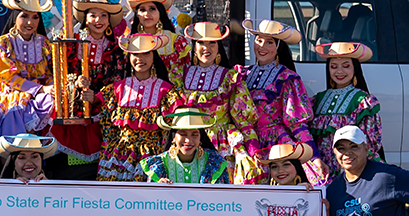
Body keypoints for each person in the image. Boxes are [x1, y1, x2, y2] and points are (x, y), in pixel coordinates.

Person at [237, 19, 326, 185]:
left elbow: (296, 123)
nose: (262, 47)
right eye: (259, 40)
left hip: (275, 146)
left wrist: (314, 157)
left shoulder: (286, 78)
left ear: (278, 47)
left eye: (269, 42)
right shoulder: (242, 74)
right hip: (247, 142)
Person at [171, 22, 260, 184]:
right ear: (194, 46)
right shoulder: (180, 75)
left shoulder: (230, 77)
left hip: (221, 143)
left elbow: (243, 119)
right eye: (201, 43)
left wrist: (253, 148)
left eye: (212, 42)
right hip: (187, 142)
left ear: (219, 46)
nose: (207, 48)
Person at [88, 34, 184, 181]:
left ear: (154, 57)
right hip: (119, 156)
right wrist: (83, 89)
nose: (140, 58)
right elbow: (98, 107)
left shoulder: (166, 91)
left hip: (152, 157)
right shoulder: (118, 88)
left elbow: (170, 130)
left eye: (146, 53)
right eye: (135, 54)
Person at [48, 0, 125, 180]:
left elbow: (117, 80)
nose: (98, 20)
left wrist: (97, 96)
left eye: (103, 15)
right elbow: (58, 69)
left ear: (109, 20)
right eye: (93, 15)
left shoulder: (116, 49)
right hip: (72, 102)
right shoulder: (71, 44)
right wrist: (74, 85)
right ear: (85, 19)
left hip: (102, 102)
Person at [0, 0, 56, 151]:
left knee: (53, 102)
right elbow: (5, 76)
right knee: (11, 108)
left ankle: (37, 154)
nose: (29, 22)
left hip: (38, 91)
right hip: (7, 88)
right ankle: (9, 156)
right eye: (24, 16)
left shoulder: (45, 43)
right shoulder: (2, 43)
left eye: (35, 17)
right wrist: (40, 89)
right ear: (14, 18)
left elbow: (50, 73)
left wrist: (52, 87)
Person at [310, 42, 382, 177]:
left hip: (352, 166)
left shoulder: (363, 101)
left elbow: (371, 141)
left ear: (355, 68)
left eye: (346, 66)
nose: (339, 71)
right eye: (333, 66)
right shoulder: (317, 100)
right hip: (323, 168)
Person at [138, 107, 229, 184]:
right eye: (183, 134)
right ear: (173, 137)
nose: (188, 140)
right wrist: (157, 188)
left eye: (194, 135)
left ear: (200, 137)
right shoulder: (159, 165)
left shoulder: (215, 163)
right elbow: (150, 201)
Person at [126, 0, 190, 73]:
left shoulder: (175, 40)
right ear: (137, 15)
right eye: (142, 10)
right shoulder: (129, 42)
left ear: (160, 12)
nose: (147, 14)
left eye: (152, 9)